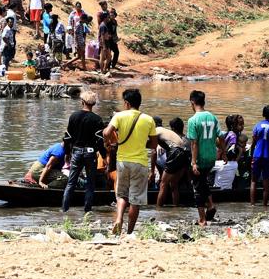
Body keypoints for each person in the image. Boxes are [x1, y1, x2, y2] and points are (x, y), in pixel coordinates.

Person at [103, 88, 157, 236]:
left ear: (126, 103)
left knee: (121, 195)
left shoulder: (119, 116)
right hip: (140, 163)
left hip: (122, 162)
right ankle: (129, 232)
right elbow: (153, 145)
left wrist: (108, 143)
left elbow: (106, 133)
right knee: (136, 200)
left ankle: (119, 219)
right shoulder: (148, 119)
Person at [61, 89, 106, 216]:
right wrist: (104, 156)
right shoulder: (97, 119)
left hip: (76, 152)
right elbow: (99, 142)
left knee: (71, 182)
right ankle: (87, 212)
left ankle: (64, 210)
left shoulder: (74, 116)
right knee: (90, 184)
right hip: (91, 154)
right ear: (94, 103)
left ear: (82, 102)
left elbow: (67, 138)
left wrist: (67, 153)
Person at [186, 91, 223, 226]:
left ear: (192, 102)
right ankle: (211, 205)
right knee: (203, 182)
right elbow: (220, 137)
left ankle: (202, 218)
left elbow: (194, 143)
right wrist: (223, 152)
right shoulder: (213, 117)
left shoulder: (193, 120)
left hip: (200, 158)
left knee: (197, 188)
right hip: (211, 157)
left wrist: (194, 162)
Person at [250, 104, 269, 207]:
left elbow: (253, 142)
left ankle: (253, 205)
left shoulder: (257, 125)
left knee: (254, 181)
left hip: (257, 155)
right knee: (266, 183)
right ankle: (264, 206)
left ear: (263, 114)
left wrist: (251, 154)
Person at [155, 117, 190, 208]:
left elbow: (153, 151)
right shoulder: (185, 138)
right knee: (174, 184)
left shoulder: (155, 130)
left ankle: (158, 209)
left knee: (163, 184)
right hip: (184, 153)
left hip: (176, 152)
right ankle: (176, 208)